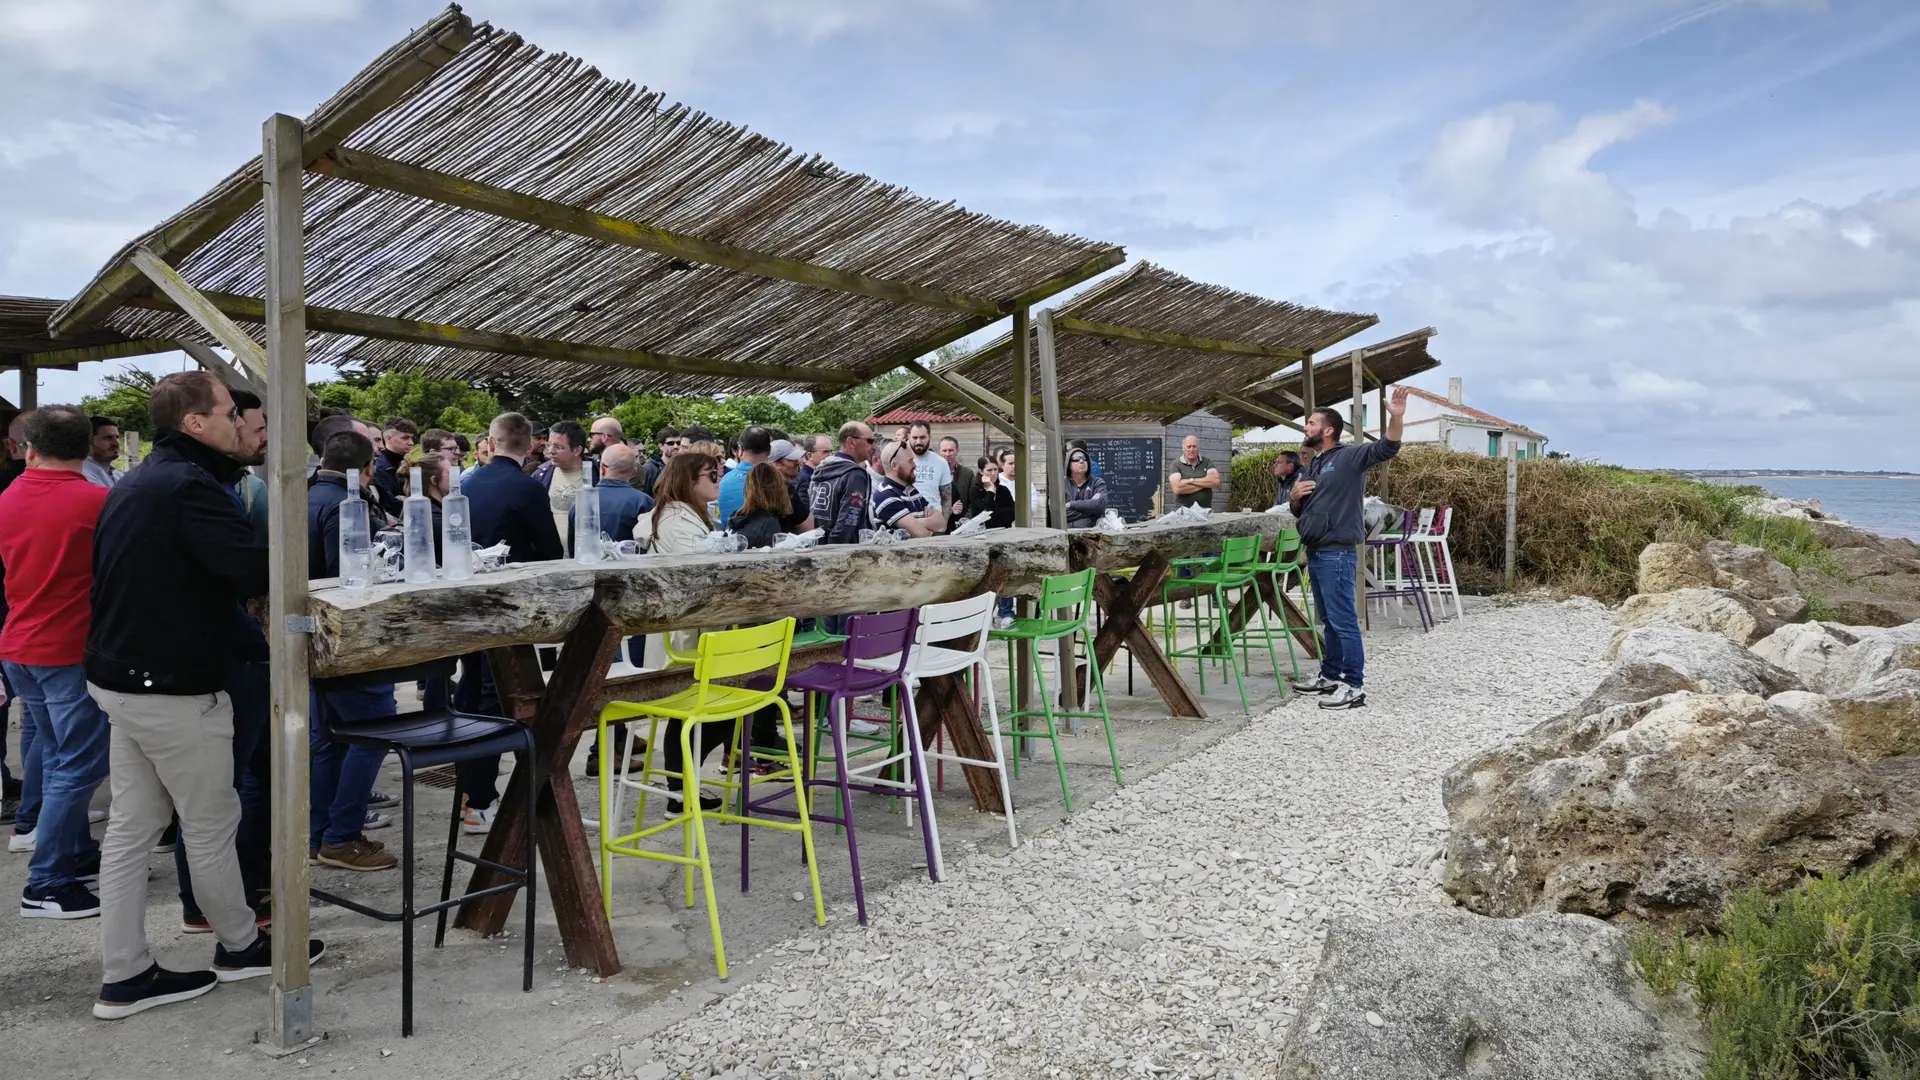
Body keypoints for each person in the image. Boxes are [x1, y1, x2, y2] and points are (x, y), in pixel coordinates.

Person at [87, 370, 323, 1019]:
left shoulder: (141, 480)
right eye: (227, 412)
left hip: (121, 677)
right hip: (170, 686)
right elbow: (253, 568)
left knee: (132, 832)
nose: (238, 422)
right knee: (212, 824)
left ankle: (126, 974)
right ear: (196, 424)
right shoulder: (189, 486)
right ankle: (242, 947)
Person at [1, 406, 112, 919]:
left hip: (20, 644)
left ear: (28, 447)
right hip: (69, 649)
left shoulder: (8, 496)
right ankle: (45, 883)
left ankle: (72, 854)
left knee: (54, 752)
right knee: (78, 765)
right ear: (87, 446)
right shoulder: (98, 502)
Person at [177, 386, 275, 930]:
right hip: (228, 653)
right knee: (223, 788)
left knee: (238, 781)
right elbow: (243, 571)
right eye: (246, 424)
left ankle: (235, 892)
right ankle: (214, 908)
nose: (254, 434)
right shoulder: (212, 489)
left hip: (236, 648)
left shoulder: (233, 484)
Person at [455, 413, 565, 833]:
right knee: (495, 699)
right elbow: (552, 551)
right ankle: (479, 799)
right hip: (507, 609)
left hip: (465, 602)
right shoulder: (528, 488)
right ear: (531, 444)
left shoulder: (466, 484)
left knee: (470, 691)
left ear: (490, 440)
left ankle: (470, 789)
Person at [303, 428, 399, 872]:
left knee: (328, 741)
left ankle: (318, 835)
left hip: (305, 636)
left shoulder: (299, 495)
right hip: (345, 638)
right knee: (373, 732)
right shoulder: (349, 506)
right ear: (365, 470)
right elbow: (349, 578)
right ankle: (341, 836)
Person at [1289, 389, 1407, 710]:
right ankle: (1330, 675)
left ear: (1328, 430)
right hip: (1316, 549)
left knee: (1343, 620)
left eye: (1311, 423)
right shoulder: (1317, 463)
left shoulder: (1349, 457)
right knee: (1328, 619)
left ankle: (1354, 685)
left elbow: (1388, 447)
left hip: (1337, 551)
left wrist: (1396, 416)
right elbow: (1304, 509)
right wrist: (1295, 498)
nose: (1306, 427)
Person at [633, 452, 727, 811]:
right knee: (693, 710)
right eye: (710, 474)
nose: (717, 479)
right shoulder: (676, 520)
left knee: (705, 711)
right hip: (684, 637)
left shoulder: (690, 514)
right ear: (689, 480)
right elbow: (700, 574)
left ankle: (682, 784)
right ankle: (680, 787)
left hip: (694, 631)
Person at [569, 443, 653, 558]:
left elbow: (574, 547)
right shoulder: (643, 502)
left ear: (602, 468)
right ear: (633, 472)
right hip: (630, 570)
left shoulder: (583, 501)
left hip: (589, 569)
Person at [808, 422, 877, 546]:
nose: (874, 447)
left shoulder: (821, 467)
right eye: (870, 441)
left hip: (816, 544)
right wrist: (833, 549)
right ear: (851, 442)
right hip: (842, 552)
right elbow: (848, 521)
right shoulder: (855, 474)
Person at [871, 440, 948, 538]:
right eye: (910, 461)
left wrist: (917, 522)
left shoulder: (911, 490)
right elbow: (921, 534)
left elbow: (941, 523)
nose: (915, 465)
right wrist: (927, 524)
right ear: (894, 466)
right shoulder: (885, 495)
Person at [532, 420, 593, 541]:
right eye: (549, 445)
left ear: (577, 450)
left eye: (558, 447)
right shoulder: (540, 475)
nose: (551, 451)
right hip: (549, 556)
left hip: (585, 553)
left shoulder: (597, 474)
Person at [716, 426, 772, 525]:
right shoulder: (776, 483)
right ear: (769, 451)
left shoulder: (724, 481)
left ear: (740, 449)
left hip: (730, 538)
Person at [765, 439, 814, 532]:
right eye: (791, 459)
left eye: (797, 458)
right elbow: (807, 527)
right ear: (776, 463)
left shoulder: (759, 485)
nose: (797, 462)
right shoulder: (782, 489)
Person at [370, 417, 415, 519]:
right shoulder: (379, 468)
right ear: (389, 438)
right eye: (405, 438)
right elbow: (389, 505)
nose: (411, 442)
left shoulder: (408, 463)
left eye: (411, 438)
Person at [904, 421, 951, 513]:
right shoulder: (901, 460)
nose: (918, 442)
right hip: (907, 519)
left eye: (922, 437)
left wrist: (943, 524)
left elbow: (947, 499)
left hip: (934, 520)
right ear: (909, 437)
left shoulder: (941, 462)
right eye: (915, 437)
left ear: (930, 437)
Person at [1169, 435, 1221, 510]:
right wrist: (1206, 483)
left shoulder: (1207, 462)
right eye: (1189, 446)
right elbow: (1177, 488)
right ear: (1183, 448)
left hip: (1205, 510)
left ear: (1198, 448)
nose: (1192, 449)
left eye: (1194, 446)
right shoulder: (1176, 464)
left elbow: (1216, 482)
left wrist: (1190, 481)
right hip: (1183, 511)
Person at [1062, 446, 1109, 528]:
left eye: (1084, 458)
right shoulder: (1061, 484)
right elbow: (1059, 513)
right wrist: (1090, 508)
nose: (1081, 461)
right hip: (1066, 535)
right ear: (1068, 465)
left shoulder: (1097, 483)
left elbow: (1100, 506)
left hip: (1092, 535)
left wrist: (1071, 504)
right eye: (1076, 459)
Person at [938, 437, 974, 524]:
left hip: (962, 524)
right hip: (940, 524)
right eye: (944, 450)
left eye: (950, 450)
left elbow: (973, 501)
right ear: (939, 451)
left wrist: (966, 520)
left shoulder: (967, 474)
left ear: (957, 451)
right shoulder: (934, 475)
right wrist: (948, 511)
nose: (947, 454)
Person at [82, 416, 122, 488]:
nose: (116, 443)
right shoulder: (83, 476)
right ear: (88, 442)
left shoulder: (118, 475)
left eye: (117, 437)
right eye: (108, 438)